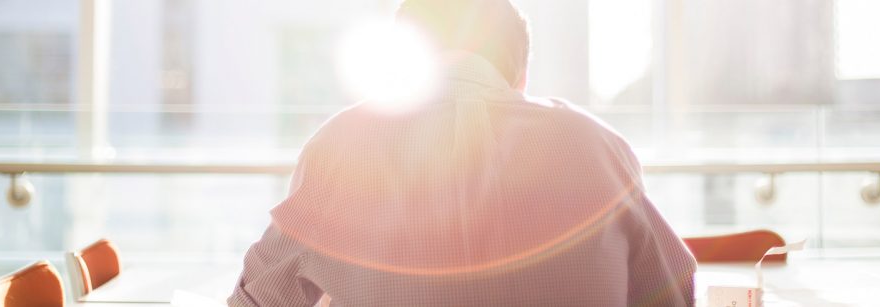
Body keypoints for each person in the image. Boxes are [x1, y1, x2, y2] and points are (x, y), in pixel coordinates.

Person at [228, 0, 696, 306]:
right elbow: (675, 290)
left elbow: (258, 300)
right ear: (521, 74)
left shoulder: (340, 147)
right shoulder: (598, 148)